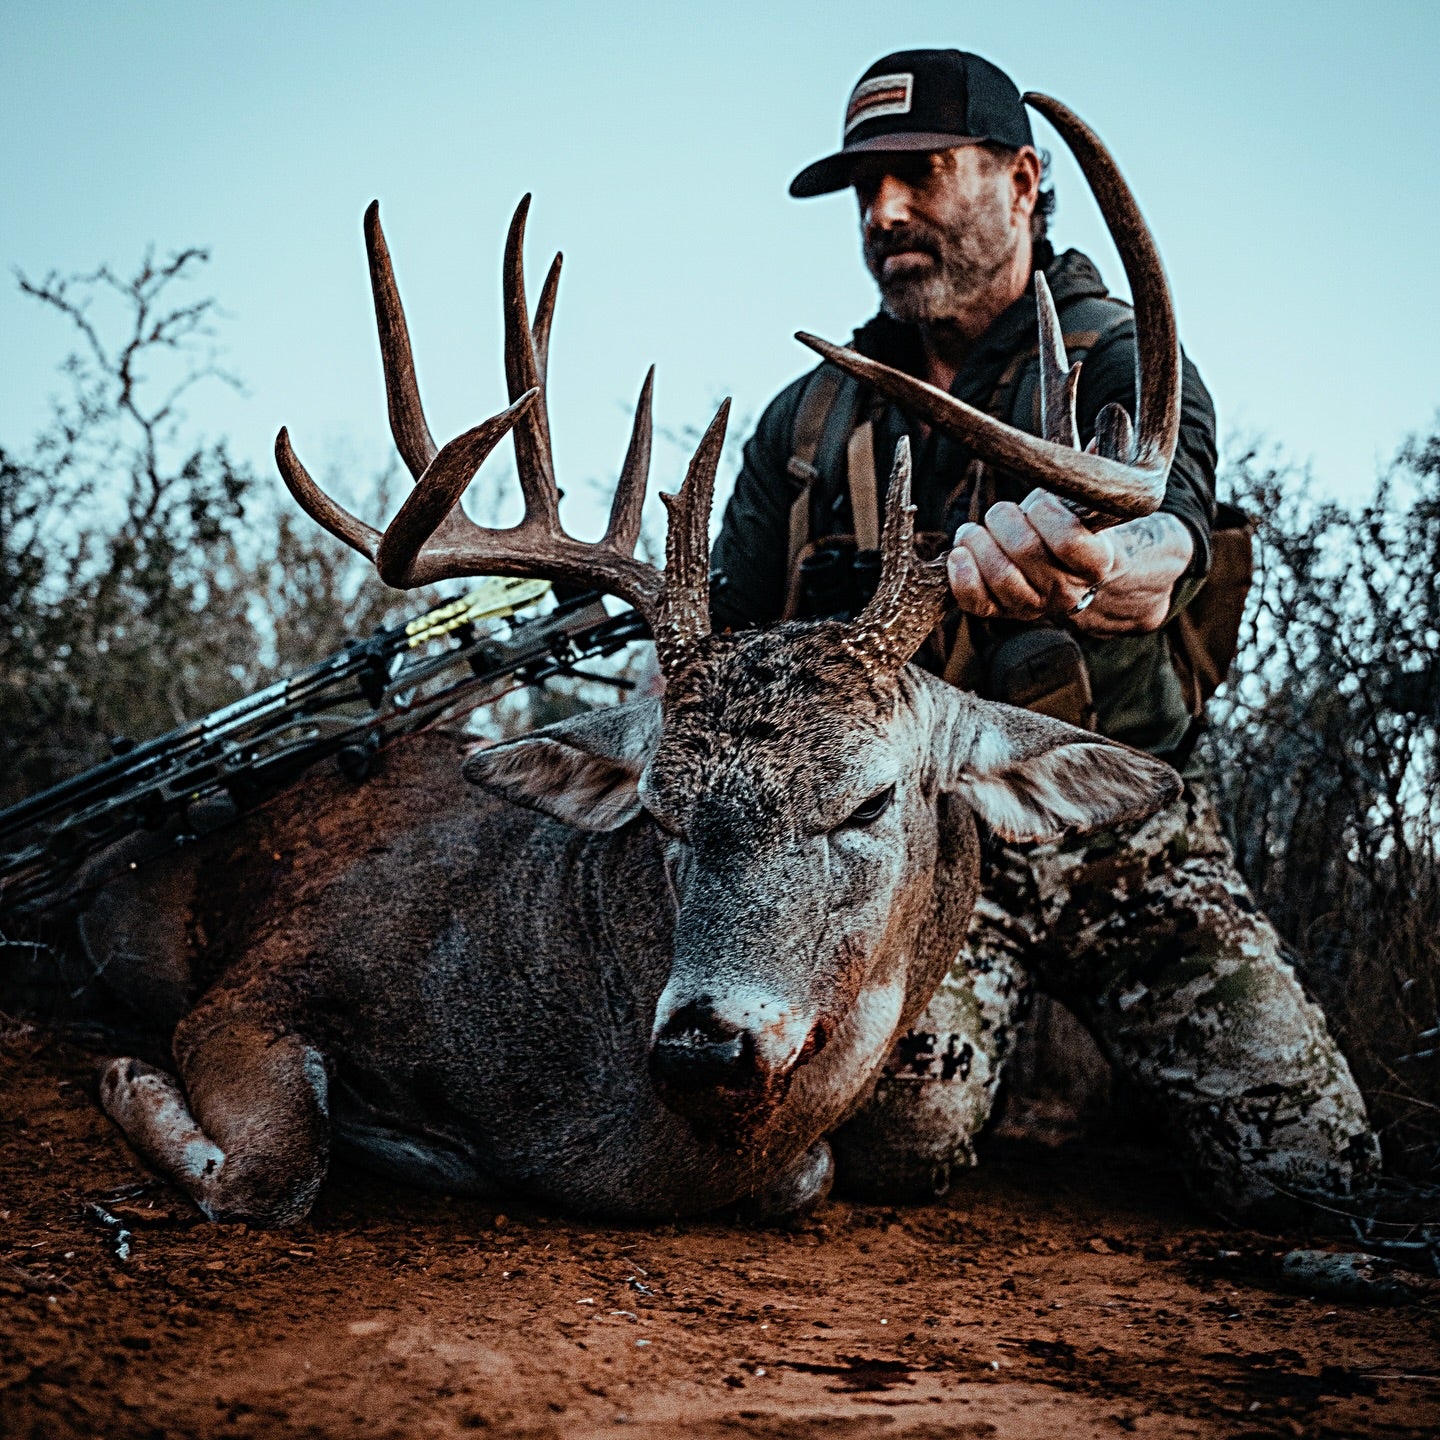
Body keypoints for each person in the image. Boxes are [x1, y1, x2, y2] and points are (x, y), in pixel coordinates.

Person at [709, 49, 1379, 1217]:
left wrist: (1114, 570)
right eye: (864, 188)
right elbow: (729, 640)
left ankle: (1142, 1084)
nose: (883, 212)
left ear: (1022, 181)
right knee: (894, 1143)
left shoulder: (1128, 361)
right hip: (917, 850)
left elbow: (1168, 532)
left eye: (921, 172)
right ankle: (989, 1066)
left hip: (1130, 835)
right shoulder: (807, 420)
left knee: (1313, 1176)